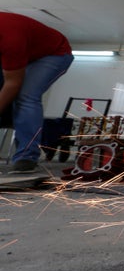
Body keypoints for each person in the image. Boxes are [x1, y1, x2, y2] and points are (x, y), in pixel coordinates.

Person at [0, 12, 74, 173]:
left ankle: (27, 156)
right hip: (23, 53)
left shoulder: (10, 40)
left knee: (26, 96)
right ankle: (13, 118)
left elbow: (13, 83)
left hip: (54, 54)